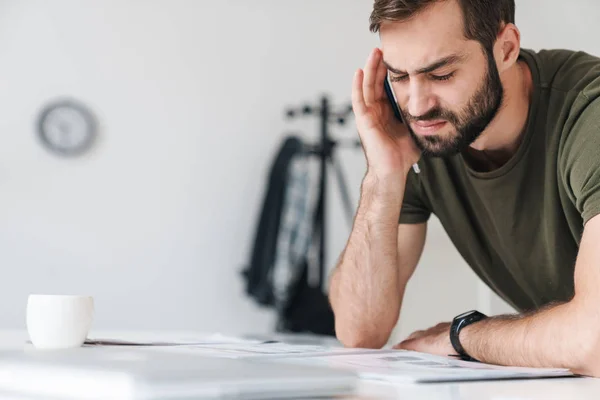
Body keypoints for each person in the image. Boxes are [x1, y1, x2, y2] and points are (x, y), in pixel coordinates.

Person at [329, 0, 600, 377]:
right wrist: (383, 175)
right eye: (399, 77)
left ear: (505, 48)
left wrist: (463, 336)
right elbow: (358, 331)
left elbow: (595, 341)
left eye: (441, 75)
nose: (418, 106)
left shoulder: (590, 115)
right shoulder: (422, 136)